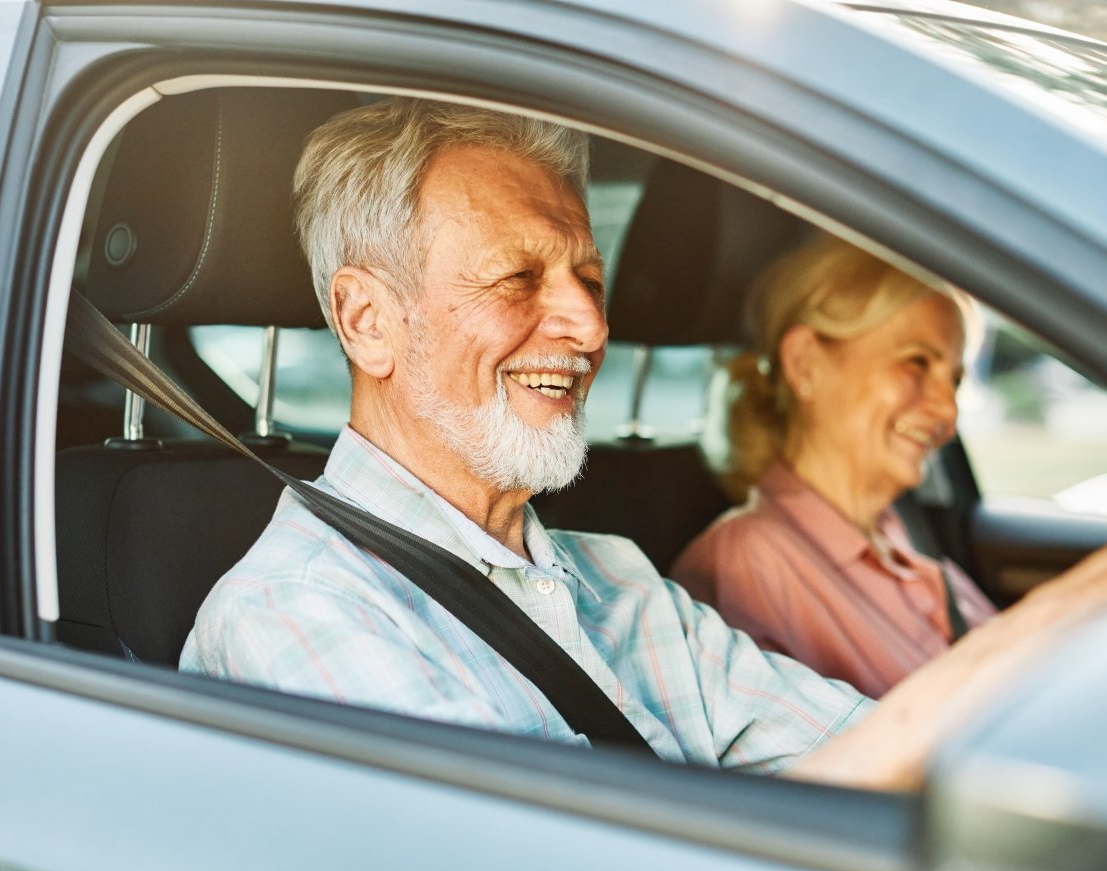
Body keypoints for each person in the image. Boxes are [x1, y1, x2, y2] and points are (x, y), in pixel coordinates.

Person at [179, 97, 1107, 791]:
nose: (587, 322)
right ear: (366, 320)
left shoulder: (614, 583)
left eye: (587, 273)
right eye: (517, 277)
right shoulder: (299, 618)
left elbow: (866, 746)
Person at [672, 235, 996, 697]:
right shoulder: (746, 565)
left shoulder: (901, 540)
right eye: (917, 363)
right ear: (805, 363)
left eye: (956, 379)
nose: (949, 412)